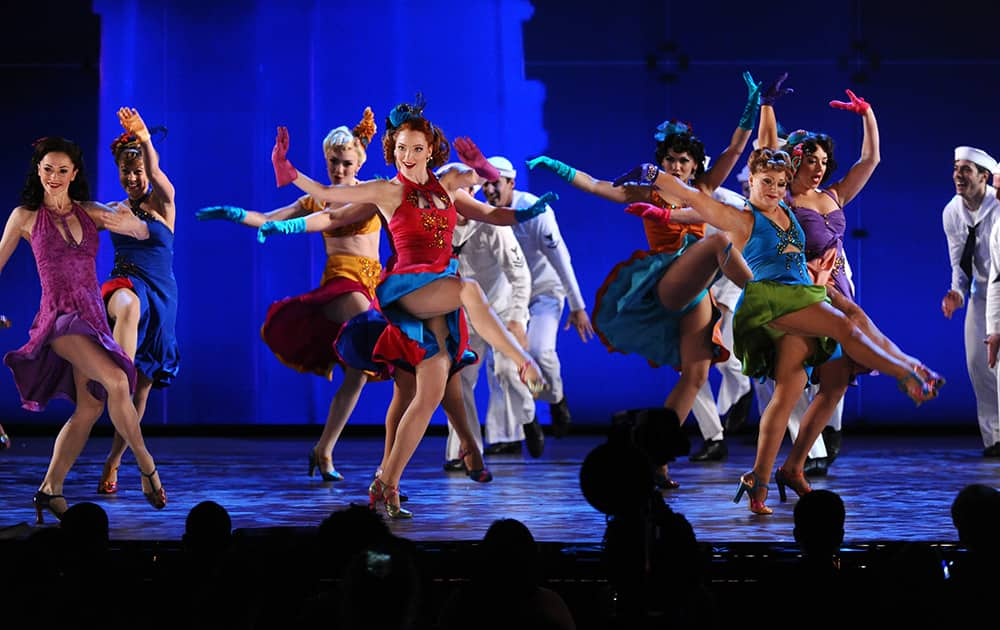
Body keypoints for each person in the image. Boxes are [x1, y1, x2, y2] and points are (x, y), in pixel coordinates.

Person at [266, 96, 550, 518]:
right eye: (401, 148)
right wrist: (291, 175)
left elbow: (497, 214)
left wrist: (498, 179)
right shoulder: (389, 190)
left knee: (428, 392)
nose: (408, 156)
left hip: (440, 295)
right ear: (392, 150)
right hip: (408, 288)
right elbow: (329, 193)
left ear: (431, 150)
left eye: (417, 149)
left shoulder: (448, 185)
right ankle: (522, 362)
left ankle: (386, 484)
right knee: (469, 288)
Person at [617, 147, 940, 514]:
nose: (774, 188)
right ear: (750, 182)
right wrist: (651, 175)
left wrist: (775, 127)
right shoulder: (740, 217)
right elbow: (694, 197)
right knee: (843, 328)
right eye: (766, 182)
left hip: (804, 293)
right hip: (774, 301)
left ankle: (770, 474)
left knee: (806, 387)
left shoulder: (785, 209)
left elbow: (773, 154)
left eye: (780, 183)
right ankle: (908, 376)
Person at [525, 70, 764, 487]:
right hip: (669, 277)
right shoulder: (647, 192)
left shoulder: (704, 189)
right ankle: (766, 295)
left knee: (695, 377)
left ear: (693, 166)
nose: (674, 166)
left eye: (682, 161)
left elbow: (737, 147)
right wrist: (555, 166)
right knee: (718, 241)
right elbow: (598, 186)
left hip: (698, 293)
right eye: (669, 159)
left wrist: (752, 104)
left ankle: (655, 460)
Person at [196, 107, 390, 482]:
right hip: (343, 283)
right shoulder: (317, 201)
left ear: (359, 160)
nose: (339, 170)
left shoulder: (371, 195)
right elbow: (270, 218)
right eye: (333, 162)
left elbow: (384, 222)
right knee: (372, 328)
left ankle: (324, 450)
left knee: (357, 376)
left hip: (373, 284)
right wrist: (236, 215)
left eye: (346, 162)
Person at [0, 136, 166, 522]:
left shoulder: (90, 212)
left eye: (62, 170)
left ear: (74, 174)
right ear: (37, 171)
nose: (54, 177)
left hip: (91, 318)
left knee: (89, 408)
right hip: (59, 320)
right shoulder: (24, 217)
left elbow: (144, 232)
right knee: (118, 382)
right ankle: (147, 468)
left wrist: (133, 217)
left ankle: (49, 489)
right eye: (47, 169)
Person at [481, 155, 594, 448]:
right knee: (504, 367)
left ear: (511, 183)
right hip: (508, 297)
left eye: (496, 184)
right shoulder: (483, 214)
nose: (490, 191)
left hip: (544, 291)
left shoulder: (535, 210)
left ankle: (555, 398)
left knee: (541, 352)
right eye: (486, 185)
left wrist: (578, 305)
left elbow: (561, 259)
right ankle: (524, 422)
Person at [95, 106, 180, 494]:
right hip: (126, 286)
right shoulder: (116, 210)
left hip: (162, 300)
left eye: (138, 170)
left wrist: (144, 137)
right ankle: (114, 368)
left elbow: (158, 174)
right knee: (126, 303)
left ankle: (115, 460)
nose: (132, 178)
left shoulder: (164, 202)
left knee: (140, 395)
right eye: (125, 172)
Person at [437, 162, 542, 463]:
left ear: (470, 192)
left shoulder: (489, 225)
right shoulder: (438, 228)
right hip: (466, 317)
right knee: (460, 382)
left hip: (501, 310)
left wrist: (517, 319)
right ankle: (466, 451)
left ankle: (528, 417)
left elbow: (519, 275)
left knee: (508, 372)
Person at [945, 146, 1000, 457]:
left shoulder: (998, 205)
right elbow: (958, 261)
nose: (958, 175)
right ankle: (995, 439)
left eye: (965, 169)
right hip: (981, 295)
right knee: (979, 365)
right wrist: (957, 292)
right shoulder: (952, 212)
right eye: (956, 168)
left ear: (984, 176)